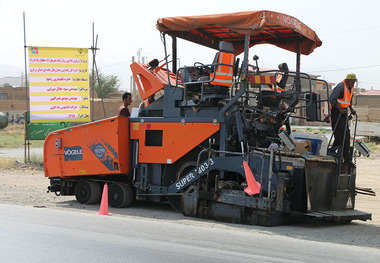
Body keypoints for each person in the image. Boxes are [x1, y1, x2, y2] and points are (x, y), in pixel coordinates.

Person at [329, 73, 357, 165]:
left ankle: (347, 159)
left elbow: (348, 101)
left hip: (344, 113)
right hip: (337, 113)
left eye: (354, 82)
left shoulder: (351, 88)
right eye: (352, 82)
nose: (353, 84)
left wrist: (351, 108)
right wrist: (339, 108)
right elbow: (332, 99)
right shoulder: (340, 86)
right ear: (347, 80)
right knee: (339, 135)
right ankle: (334, 153)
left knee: (347, 136)